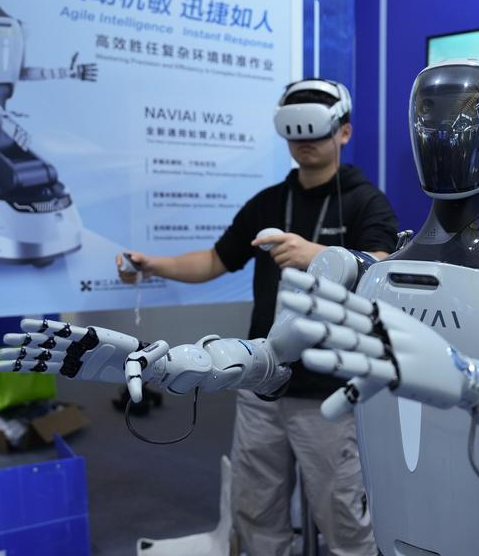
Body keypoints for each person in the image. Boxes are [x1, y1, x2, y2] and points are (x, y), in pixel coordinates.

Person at [117, 78, 396, 556]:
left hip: (329, 389)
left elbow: (382, 271)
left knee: (344, 518)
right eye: (295, 130)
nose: (304, 141)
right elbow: (214, 260)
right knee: (256, 508)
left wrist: (317, 254)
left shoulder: (365, 202)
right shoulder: (269, 202)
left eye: (315, 129)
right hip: (261, 380)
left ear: (344, 132)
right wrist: (152, 266)